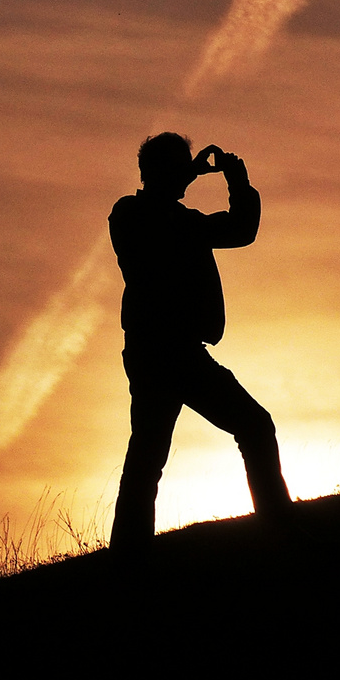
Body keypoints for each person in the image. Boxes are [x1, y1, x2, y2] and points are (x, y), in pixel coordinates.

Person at [108, 132, 292, 557]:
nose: (186, 175)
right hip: (166, 352)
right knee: (251, 427)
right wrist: (207, 175)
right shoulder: (135, 213)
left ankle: (128, 558)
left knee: (148, 455)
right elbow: (223, 227)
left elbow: (241, 230)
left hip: (168, 351)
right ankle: (280, 527)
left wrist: (236, 182)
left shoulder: (174, 219)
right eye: (179, 166)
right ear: (158, 171)